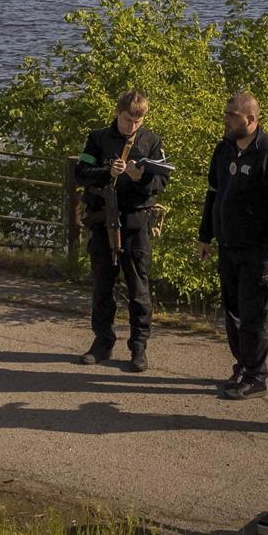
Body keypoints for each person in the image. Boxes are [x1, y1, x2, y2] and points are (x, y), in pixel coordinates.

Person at [196, 92, 268, 401]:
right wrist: (205, 235)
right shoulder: (223, 150)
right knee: (234, 313)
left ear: (251, 119)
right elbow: (213, 193)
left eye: (232, 115)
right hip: (228, 247)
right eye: (226, 113)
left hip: (256, 252)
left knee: (254, 317)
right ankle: (242, 365)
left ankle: (257, 375)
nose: (226, 119)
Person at [73, 90, 169, 371]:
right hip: (104, 220)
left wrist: (141, 178)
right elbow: (80, 173)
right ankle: (102, 342)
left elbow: (163, 181)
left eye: (138, 121)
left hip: (136, 222)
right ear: (118, 113)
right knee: (102, 285)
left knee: (139, 287)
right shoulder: (98, 138)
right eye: (128, 120)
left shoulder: (151, 141)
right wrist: (108, 172)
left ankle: (139, 347)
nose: (132, 127)